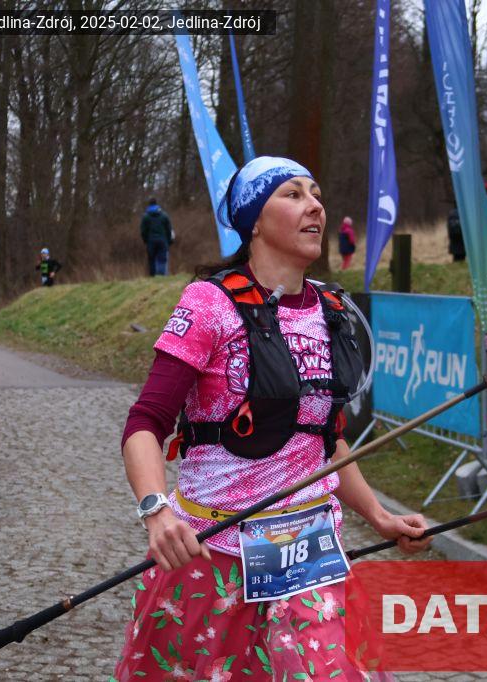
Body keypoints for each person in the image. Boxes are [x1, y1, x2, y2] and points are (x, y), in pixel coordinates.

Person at [113, 156, 431, 680]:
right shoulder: (210, 305)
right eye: (293, 194)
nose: (315, 206)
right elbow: (145, 422)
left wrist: (380, 517)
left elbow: (324, 441)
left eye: (317, 194)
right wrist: (156, 510)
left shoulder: (330, 309)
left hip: (307, 551)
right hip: (214, 551)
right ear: (254, 220)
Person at [140, 198, 174, 276]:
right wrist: (169, 241)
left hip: (150, 241)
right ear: (157, 204)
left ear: (149, 204)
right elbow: (169, 229)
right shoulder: (164, 215)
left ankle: (153, 276)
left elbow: (143, 231)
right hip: (162, 240)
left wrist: (145, 240)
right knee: (162, 259)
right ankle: (161, 276)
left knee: (151, 259)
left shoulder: (145, 217)